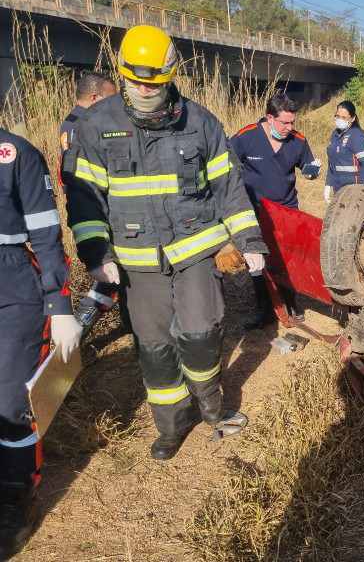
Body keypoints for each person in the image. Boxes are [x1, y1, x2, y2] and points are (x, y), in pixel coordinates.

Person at [61, 25, 268, 461]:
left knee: (201, 334)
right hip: (138, 264)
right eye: (134, 82)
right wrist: (97, 254)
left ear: (170, 77)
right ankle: (172, 427)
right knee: (155, 350)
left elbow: (229, 188)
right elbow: (84, 199)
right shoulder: (98, 126)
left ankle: (213, 410)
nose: (143, 90)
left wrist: (248, 240)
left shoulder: (201, 122)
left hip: (195, 249)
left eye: (152, 84)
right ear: (121, 76)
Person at [0, 130, 83, 557]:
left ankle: (16, 497)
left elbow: (47, 234)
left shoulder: (16, 155)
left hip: (11, 282)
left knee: (10, 402)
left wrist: (60, 304)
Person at [230, 93, 321, 329]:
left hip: (287, 212)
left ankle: (292, 303)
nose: (290, 128)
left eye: (293, 122)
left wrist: (312, 170)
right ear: (270, 117)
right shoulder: (246, 136)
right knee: (258, 263)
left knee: (288, 261)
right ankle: (266, 310)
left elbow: (308, 165)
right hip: (255, 212)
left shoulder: (298, 141)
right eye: (284, 122)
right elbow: (226, 163)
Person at [59, 72, 122, 331]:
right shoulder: (85, 125)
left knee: (119, 277)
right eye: (111, 98)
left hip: (93, 204)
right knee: (111, 278)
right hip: (96, 208)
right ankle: (77, 333)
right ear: (96, 97)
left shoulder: (72, 121)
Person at [323, 100, 364, 203]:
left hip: (353, 192)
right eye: (337, 116)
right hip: (338, 190)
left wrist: (360, 190)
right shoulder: (335, 135)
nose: (339, 119)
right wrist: (328, 184)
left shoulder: (357, 136)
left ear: (353, 118)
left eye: (344, 117)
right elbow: (332, 163)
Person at [59, 71, 117, 154]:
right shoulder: (93, 125)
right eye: (111, 99)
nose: (115, 103)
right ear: (94, 98)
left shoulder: (70, 121)